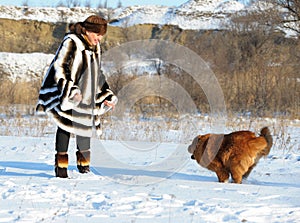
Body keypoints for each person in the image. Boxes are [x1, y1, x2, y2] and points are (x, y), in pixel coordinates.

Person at [36, 15, 117, 178]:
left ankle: (84, 167)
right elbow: (61, 66)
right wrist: (70, 90)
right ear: (87, 30)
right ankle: (61, 167)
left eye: (101, 35)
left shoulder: (96, 46)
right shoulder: (72, 41)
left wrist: (106, 93)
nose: (99, 38)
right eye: (97, 34)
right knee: (65, 126)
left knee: (84, 126)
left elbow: (97, 72)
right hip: (69, 92)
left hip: (87, 94)